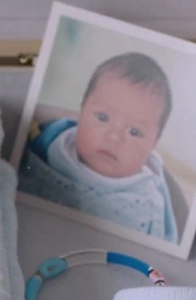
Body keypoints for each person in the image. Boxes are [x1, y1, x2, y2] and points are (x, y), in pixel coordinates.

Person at [18, 52, 179, 242]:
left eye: (134, 131)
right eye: (102, 118)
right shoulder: (51, 138)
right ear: (81, 111)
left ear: (153, 144)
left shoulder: (148, 198)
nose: (114, 137)